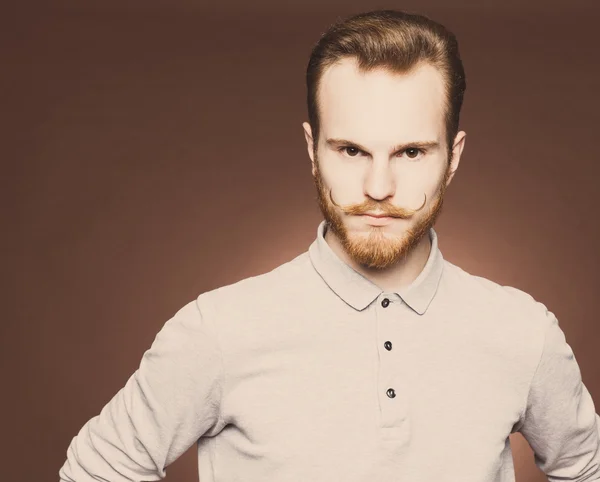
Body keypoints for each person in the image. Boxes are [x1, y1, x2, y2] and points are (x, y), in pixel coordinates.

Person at [59, 9, 600, 482]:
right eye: (350, 150)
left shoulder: (524, 334)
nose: (379, 188)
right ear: (312, 149)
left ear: (453, 157)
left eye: (411, 152)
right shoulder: (218, 330)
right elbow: (98, 470)